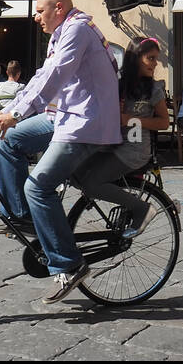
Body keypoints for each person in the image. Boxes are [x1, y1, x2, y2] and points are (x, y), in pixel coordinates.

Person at [0, 0, 122, 305]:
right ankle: (24, 218)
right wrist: (8, 112)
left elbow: (56, 77)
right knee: (8, 139)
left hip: (85, 124)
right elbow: (41, 76)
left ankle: (68, 264)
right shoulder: (61, 32)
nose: (35, 17)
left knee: (38, 188)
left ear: (58, 8)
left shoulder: (76, 30)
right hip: (62, 117)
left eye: (39, 11)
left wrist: (16, 113)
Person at [75, 36, 169, 238]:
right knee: (71, 170)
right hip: (110, 145)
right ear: (135, 58)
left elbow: (164, 122)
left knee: (92, 184)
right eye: (150, 58)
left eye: (155, 59)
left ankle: (141, 208)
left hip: (133, 150)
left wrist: (131, 119)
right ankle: (111, 195)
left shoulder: (154, 89)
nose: (155, 64)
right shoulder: (117, 84)